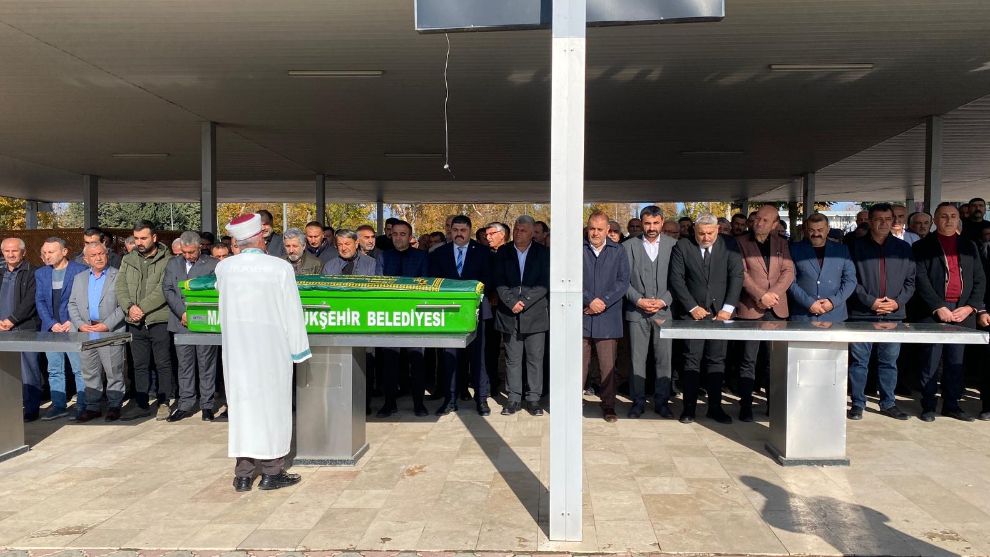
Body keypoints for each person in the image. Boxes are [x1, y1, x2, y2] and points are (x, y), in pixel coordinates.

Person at [220, 213, 309, 492]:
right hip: (272, 351)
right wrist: (299, 352)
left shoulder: (224, 269)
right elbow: (292, 313)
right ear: (260, 237)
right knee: (272, 410)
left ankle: (243, 474)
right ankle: (272, 472)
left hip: (237, 353)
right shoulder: (279, 268)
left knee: (243, 409)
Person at [910, 203, 985, 422]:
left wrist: (971, 306)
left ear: (959, 219)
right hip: (934, 311)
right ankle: (928, 405)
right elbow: (920, 280)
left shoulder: (969, 246)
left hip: (963, 311)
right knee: (930, 360)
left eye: (953, 216)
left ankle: (952, 405)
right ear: (935, 220)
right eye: (944, 216)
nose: (949, 220)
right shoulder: (922, 247)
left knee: (956, 362)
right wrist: (937, 306)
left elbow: (980, 279)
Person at [668, 213, 743, 424]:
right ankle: (689, 408)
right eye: (701, 233)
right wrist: (691, 306)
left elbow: (736, 276)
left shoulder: (730, 245)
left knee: (717, 361)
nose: (706, 237)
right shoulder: (683, 246)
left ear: (717, 230)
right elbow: (676, 279)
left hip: (721, 314)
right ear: (694, 230)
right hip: (693, 315)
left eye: (710, 233)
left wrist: (728, 308)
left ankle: (715, 407)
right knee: (691, 360)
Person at [846, 203, 915, 421]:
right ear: (870, 221)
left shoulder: (903, 249)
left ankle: (888, 403)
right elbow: (850, 280)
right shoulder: (855, 247)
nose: (884, 223)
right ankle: (857, 403)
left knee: (889, 362)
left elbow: (911, 282)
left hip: (893, 314)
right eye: (879, 219)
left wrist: (896, 303)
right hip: (861, 314)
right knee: (859, 362)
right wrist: (870, 302)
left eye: (888, 219)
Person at [734, 204, 795, 422]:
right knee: (748, 360)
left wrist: (773, 295)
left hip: (776, 310)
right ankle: (746, 405)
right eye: (757, 219)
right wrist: (761, 296)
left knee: (774, 360)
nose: (759, 223)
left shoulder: (781, 243)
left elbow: (788, 271)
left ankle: (773, 405)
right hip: (751, 308)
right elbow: (740, 273)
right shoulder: (740, 242)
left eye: (765, 220)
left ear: (775, 224)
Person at [429, 215, 493, 416]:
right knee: (450, 358)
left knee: (479, 358)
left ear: (470, 231)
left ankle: (481, 400)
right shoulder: (439, 253)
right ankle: (450, 399)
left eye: (462, 230)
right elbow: (434, 282)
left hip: (476, 312)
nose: (458, 234)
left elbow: (489, 280)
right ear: (450, 231)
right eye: (455, 230)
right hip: (450, 314)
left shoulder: (483, 252)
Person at [116, 220, 174, 420]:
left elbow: (163, 289)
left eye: (143, 238)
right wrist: (130, 307)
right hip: (135, 322)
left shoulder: (168, 260)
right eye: (136, 238)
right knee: (139, 365)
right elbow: (120, 287)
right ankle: (141, 404)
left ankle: (164, 402)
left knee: (162, 363)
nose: (139, 242)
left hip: (159, 320)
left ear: (154, 238)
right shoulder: (128, 260)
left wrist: (141, 308)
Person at [493, 215, 550, 416]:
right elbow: (498, 280)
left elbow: (545, 283)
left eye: (523, 230)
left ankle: (534, 399)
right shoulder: (503, 251)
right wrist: (511, 302)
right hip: (509, 314)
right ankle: (513, 399)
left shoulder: (543, 253)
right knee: (512, 359)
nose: (518, 233)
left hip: (535, 314)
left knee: (535, 359)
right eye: (516, 229)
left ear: (532, 232)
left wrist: (524, 301)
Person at [622, 206, 676, 419]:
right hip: (637, 312)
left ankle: (662, 402)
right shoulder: (628, 246)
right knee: (637, 359)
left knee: (664, 359)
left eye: (655, 223)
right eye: (647, 223)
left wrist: (664, 300)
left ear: (662, 222)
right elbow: (622, 280)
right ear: (641, 223)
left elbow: (679, 280)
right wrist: (639, 300)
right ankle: (637, 402)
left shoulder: (674, 246)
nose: (651, 228)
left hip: (664, 311)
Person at [162, 231, 220, 422]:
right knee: (184, 364)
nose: (187, 256)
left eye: (191, 252)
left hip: (203, 322)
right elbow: (168, 290)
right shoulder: (173, 263)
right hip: (181, 322)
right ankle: (185, 403)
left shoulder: (212, 264)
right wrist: (183, 313)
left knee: (206, 363)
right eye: (184, 252)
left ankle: (207, 405)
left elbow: (213, 293)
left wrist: (194, 314)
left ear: (200, 247)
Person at [68, 242, 127, 422]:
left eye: (102, 253)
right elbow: (72, 304)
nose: (99, 258)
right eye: (94, 255)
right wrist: (80, 324)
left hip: (109, 331)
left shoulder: (118, 276)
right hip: (86, 331)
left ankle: (114, 405)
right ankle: (93, 406)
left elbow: (124, 305)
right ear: (86, 259)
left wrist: (106, 325)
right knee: (89, 371)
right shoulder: (80, 278)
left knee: (113, 371)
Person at [580, 212, 630, 422]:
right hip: (582, 315)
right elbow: (571, 279)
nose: (595, 233)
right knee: (578, 365)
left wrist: (603, 302)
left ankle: (609, 406)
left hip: (608, 317)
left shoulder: (618, 251)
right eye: (592, 228)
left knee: (607, 366)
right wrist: (589, 300)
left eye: (600, 229)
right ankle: (573, 404)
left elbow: (623, 281)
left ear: (608, 230)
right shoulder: (578, 250)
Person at [378, 220, 430, 417]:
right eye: (395, 234)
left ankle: (419, 403)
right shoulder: (384, 256)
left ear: (410, 237)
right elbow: (379, 284)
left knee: (417, 361)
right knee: (390, 362)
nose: (398, 237)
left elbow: (426, 285)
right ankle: (389, 403)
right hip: (390, 316)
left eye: (402, 234)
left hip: (414, 315)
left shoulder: (421, 256)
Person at [35, 237, 89, 420]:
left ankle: (83, 404)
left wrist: (71, 322)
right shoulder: (41, 273)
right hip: (51, 329)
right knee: (55, 369)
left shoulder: (80, 270)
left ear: (64, 252)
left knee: (79, 369)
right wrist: (51, 323)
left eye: (51, 252)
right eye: (45, 252)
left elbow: (82, 300)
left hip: (72, 328)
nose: (47, 256)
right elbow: (40, 301)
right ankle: (58, 405)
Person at [0, 237, 42, 421]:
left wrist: (12, 320)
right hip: (1, 330)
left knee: (29, 370)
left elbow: (30, 300)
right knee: (5, 372)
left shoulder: (33, 273)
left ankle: (31, 409)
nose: (10, 254)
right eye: (7, 251)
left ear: (23, 252)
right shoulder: (0, 272)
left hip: (24, 328)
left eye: (14, 251)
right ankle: (8, 408)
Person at [788, 213, 857, 323]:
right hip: (803, 316)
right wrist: (809, 303)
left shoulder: (841, 250)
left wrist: (833, 302)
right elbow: (790, 281)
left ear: (828, 229)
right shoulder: (794, 250)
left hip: (835, 316)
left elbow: (850, 280)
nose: (816, 234)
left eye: (820, 230)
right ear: (805, 230)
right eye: (811, 230)